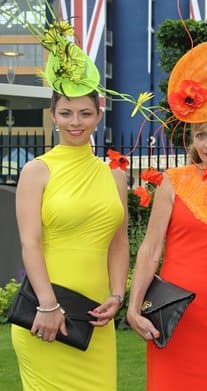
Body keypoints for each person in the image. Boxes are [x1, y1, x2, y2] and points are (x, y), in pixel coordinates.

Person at [126, 40, 207, 390]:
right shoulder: (173, 182)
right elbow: (150, 249)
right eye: (201, 134)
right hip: (172, 320)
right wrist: (134, 306)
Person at [11, 17, 129, 390]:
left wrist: (117, 294)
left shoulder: (115, 176)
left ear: (98, 115)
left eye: (84, 113)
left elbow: (119, 242)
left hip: (96, 320)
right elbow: (30, 242)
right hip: (46, 317)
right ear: (53, 115)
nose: (75, 122)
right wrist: (47, 304)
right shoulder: (37, 170)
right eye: (66, 113)